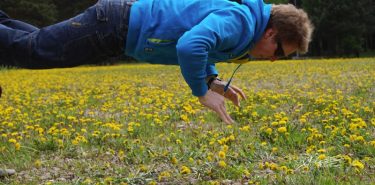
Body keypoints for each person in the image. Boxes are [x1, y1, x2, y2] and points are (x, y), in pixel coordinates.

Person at [0, 0, 313, 124]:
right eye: (280, 52)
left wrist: (211, 80)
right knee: (35, 52)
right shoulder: (242, 23)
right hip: (115, 25)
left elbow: (205, 44)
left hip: (118, 29)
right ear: (271, 33)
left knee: (37, 44)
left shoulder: (244, 27)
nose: (274, 59)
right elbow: (191, 44)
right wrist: (201, 92)